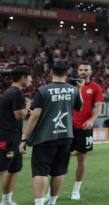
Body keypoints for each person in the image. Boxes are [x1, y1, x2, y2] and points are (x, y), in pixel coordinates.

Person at [20, 60, 83, 205]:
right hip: (66, 137)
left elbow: (35, 115)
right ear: (67, 74)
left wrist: (24, 138)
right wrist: (79, 89)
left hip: (45, 137)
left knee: (40, 172)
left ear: (50, 72)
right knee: (59, 171)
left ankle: (39, 203)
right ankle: (52, 202)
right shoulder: (72, 90)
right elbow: (79, 108)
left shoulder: (43, 90)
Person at [70, 63, 104, 200]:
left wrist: (91, 120)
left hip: (84, 127)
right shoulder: (70, 86)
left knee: (82, 157)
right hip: (67, 127)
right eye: (81, 69)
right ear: (77, 71)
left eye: (86, 70)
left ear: (91, 72)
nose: (83, 72)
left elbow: (99, 107)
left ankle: (76, 190)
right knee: (60, 158)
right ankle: (51, 191)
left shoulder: (96, 87)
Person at [0, 66, 32, 205]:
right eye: (30, 77)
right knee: (1, 170)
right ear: (23, 77)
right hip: (7, 138)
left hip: (14, 137)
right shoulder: (16, 93)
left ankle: (6, 201)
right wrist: (27, 104)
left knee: (14, 169)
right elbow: (20, 116)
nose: (31, 80)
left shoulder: (10, 92)